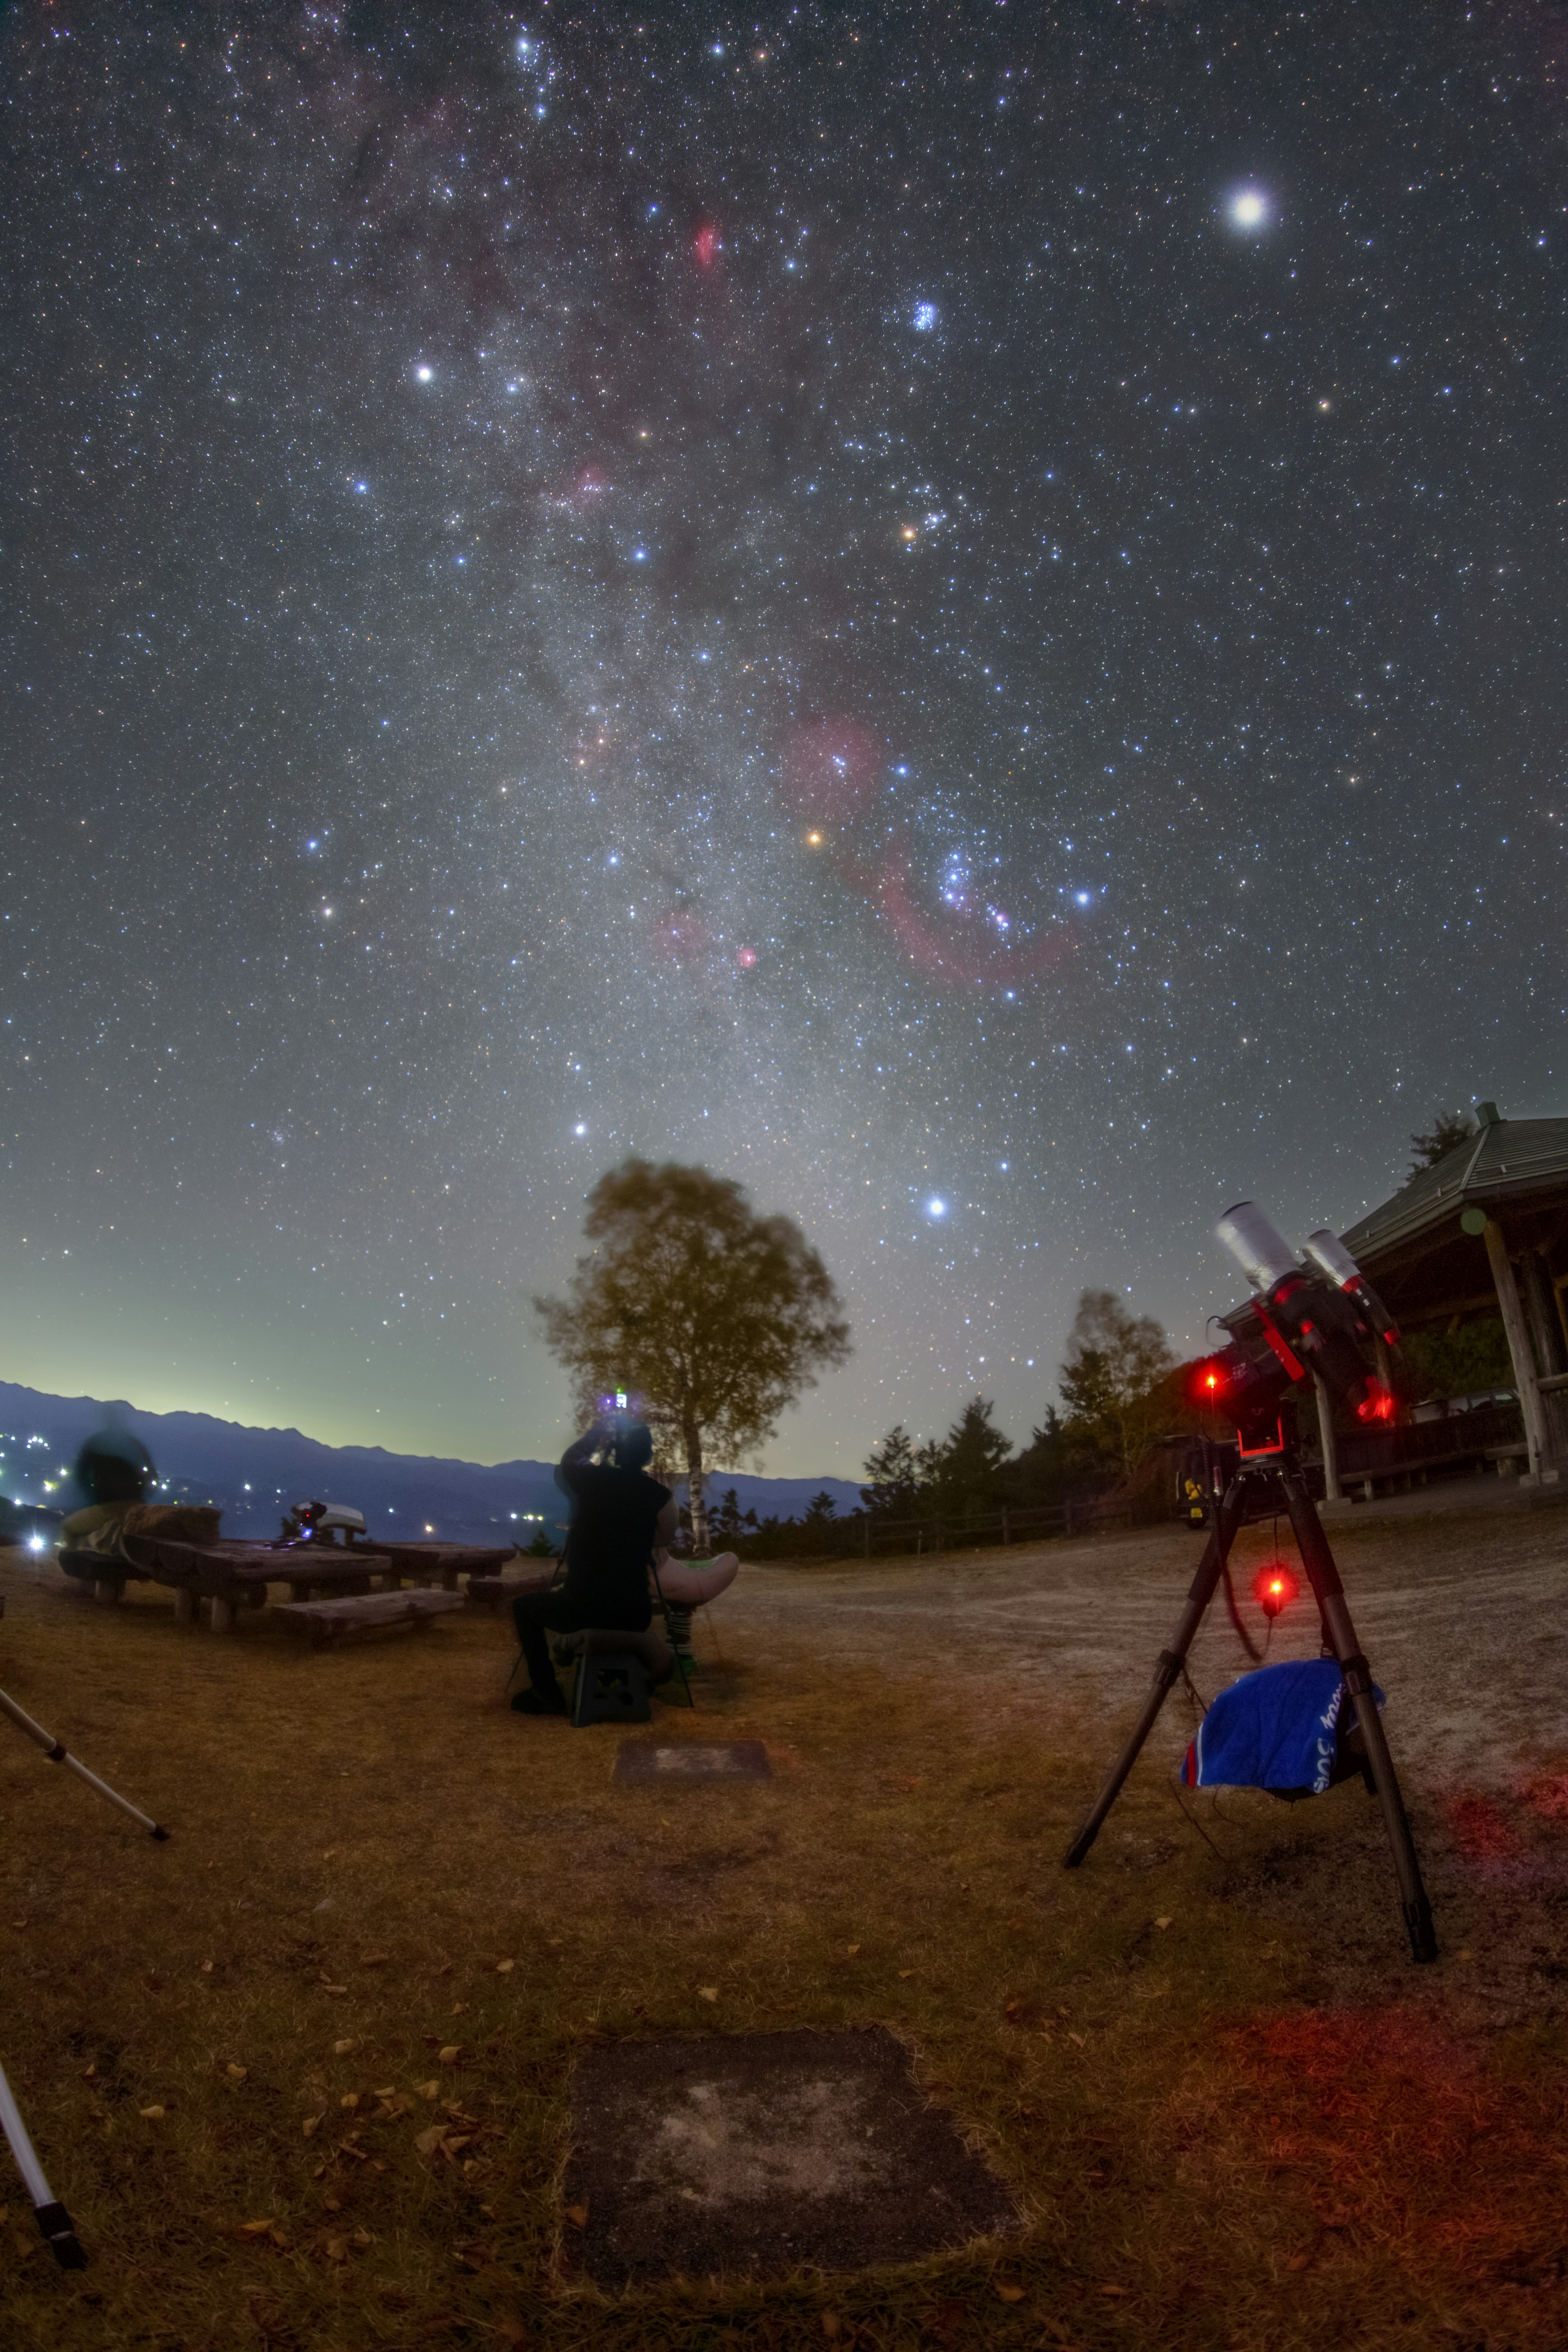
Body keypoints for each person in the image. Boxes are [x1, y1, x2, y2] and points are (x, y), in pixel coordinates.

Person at [510, 1412, 677, 1717]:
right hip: (633, 1612)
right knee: (625, 1615)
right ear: (648, 1455)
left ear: (615, 1451)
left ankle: (545, 1692)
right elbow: (663, 1538)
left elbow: (571, 1459)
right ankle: (637, 1677)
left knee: (524, 1609)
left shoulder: (588, 1480)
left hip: (582, 1609)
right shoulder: (661, 1497)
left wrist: (597, 1434)